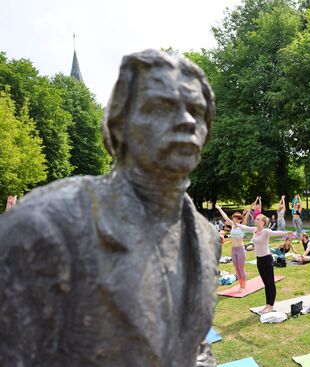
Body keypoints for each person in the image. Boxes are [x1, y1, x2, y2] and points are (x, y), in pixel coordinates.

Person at [0, 50, 220, 366]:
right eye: (161, 107)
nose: (186, 121)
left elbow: (194, 345)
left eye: (196, 111)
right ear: (119, 125)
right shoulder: (42, 226)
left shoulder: (207, 237)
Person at [250, 214, 293, 314]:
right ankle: (267, 304)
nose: (255, 220)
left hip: (266, 259)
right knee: (265, 283)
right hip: (259, 260)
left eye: (258, 219)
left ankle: (271, 305)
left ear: (263, 222)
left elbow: (276, 233)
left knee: (270, 283)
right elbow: (243, 227)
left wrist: (287, 232)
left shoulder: (266, 231)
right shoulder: (254, 230)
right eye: (256, 219)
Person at [216, 205, 254, 292]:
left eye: (236, 219)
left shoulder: (242, 226)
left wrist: (249, 210)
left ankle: (243, 286)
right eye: (234, 218)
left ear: (240, 220)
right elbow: (225, 217)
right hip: (233, 250)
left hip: (240, 249)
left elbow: (246, 217)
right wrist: (219, 209)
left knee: (241, 268)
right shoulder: (232, 225)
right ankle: (240, 285)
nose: (234, 220)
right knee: (236, 268)